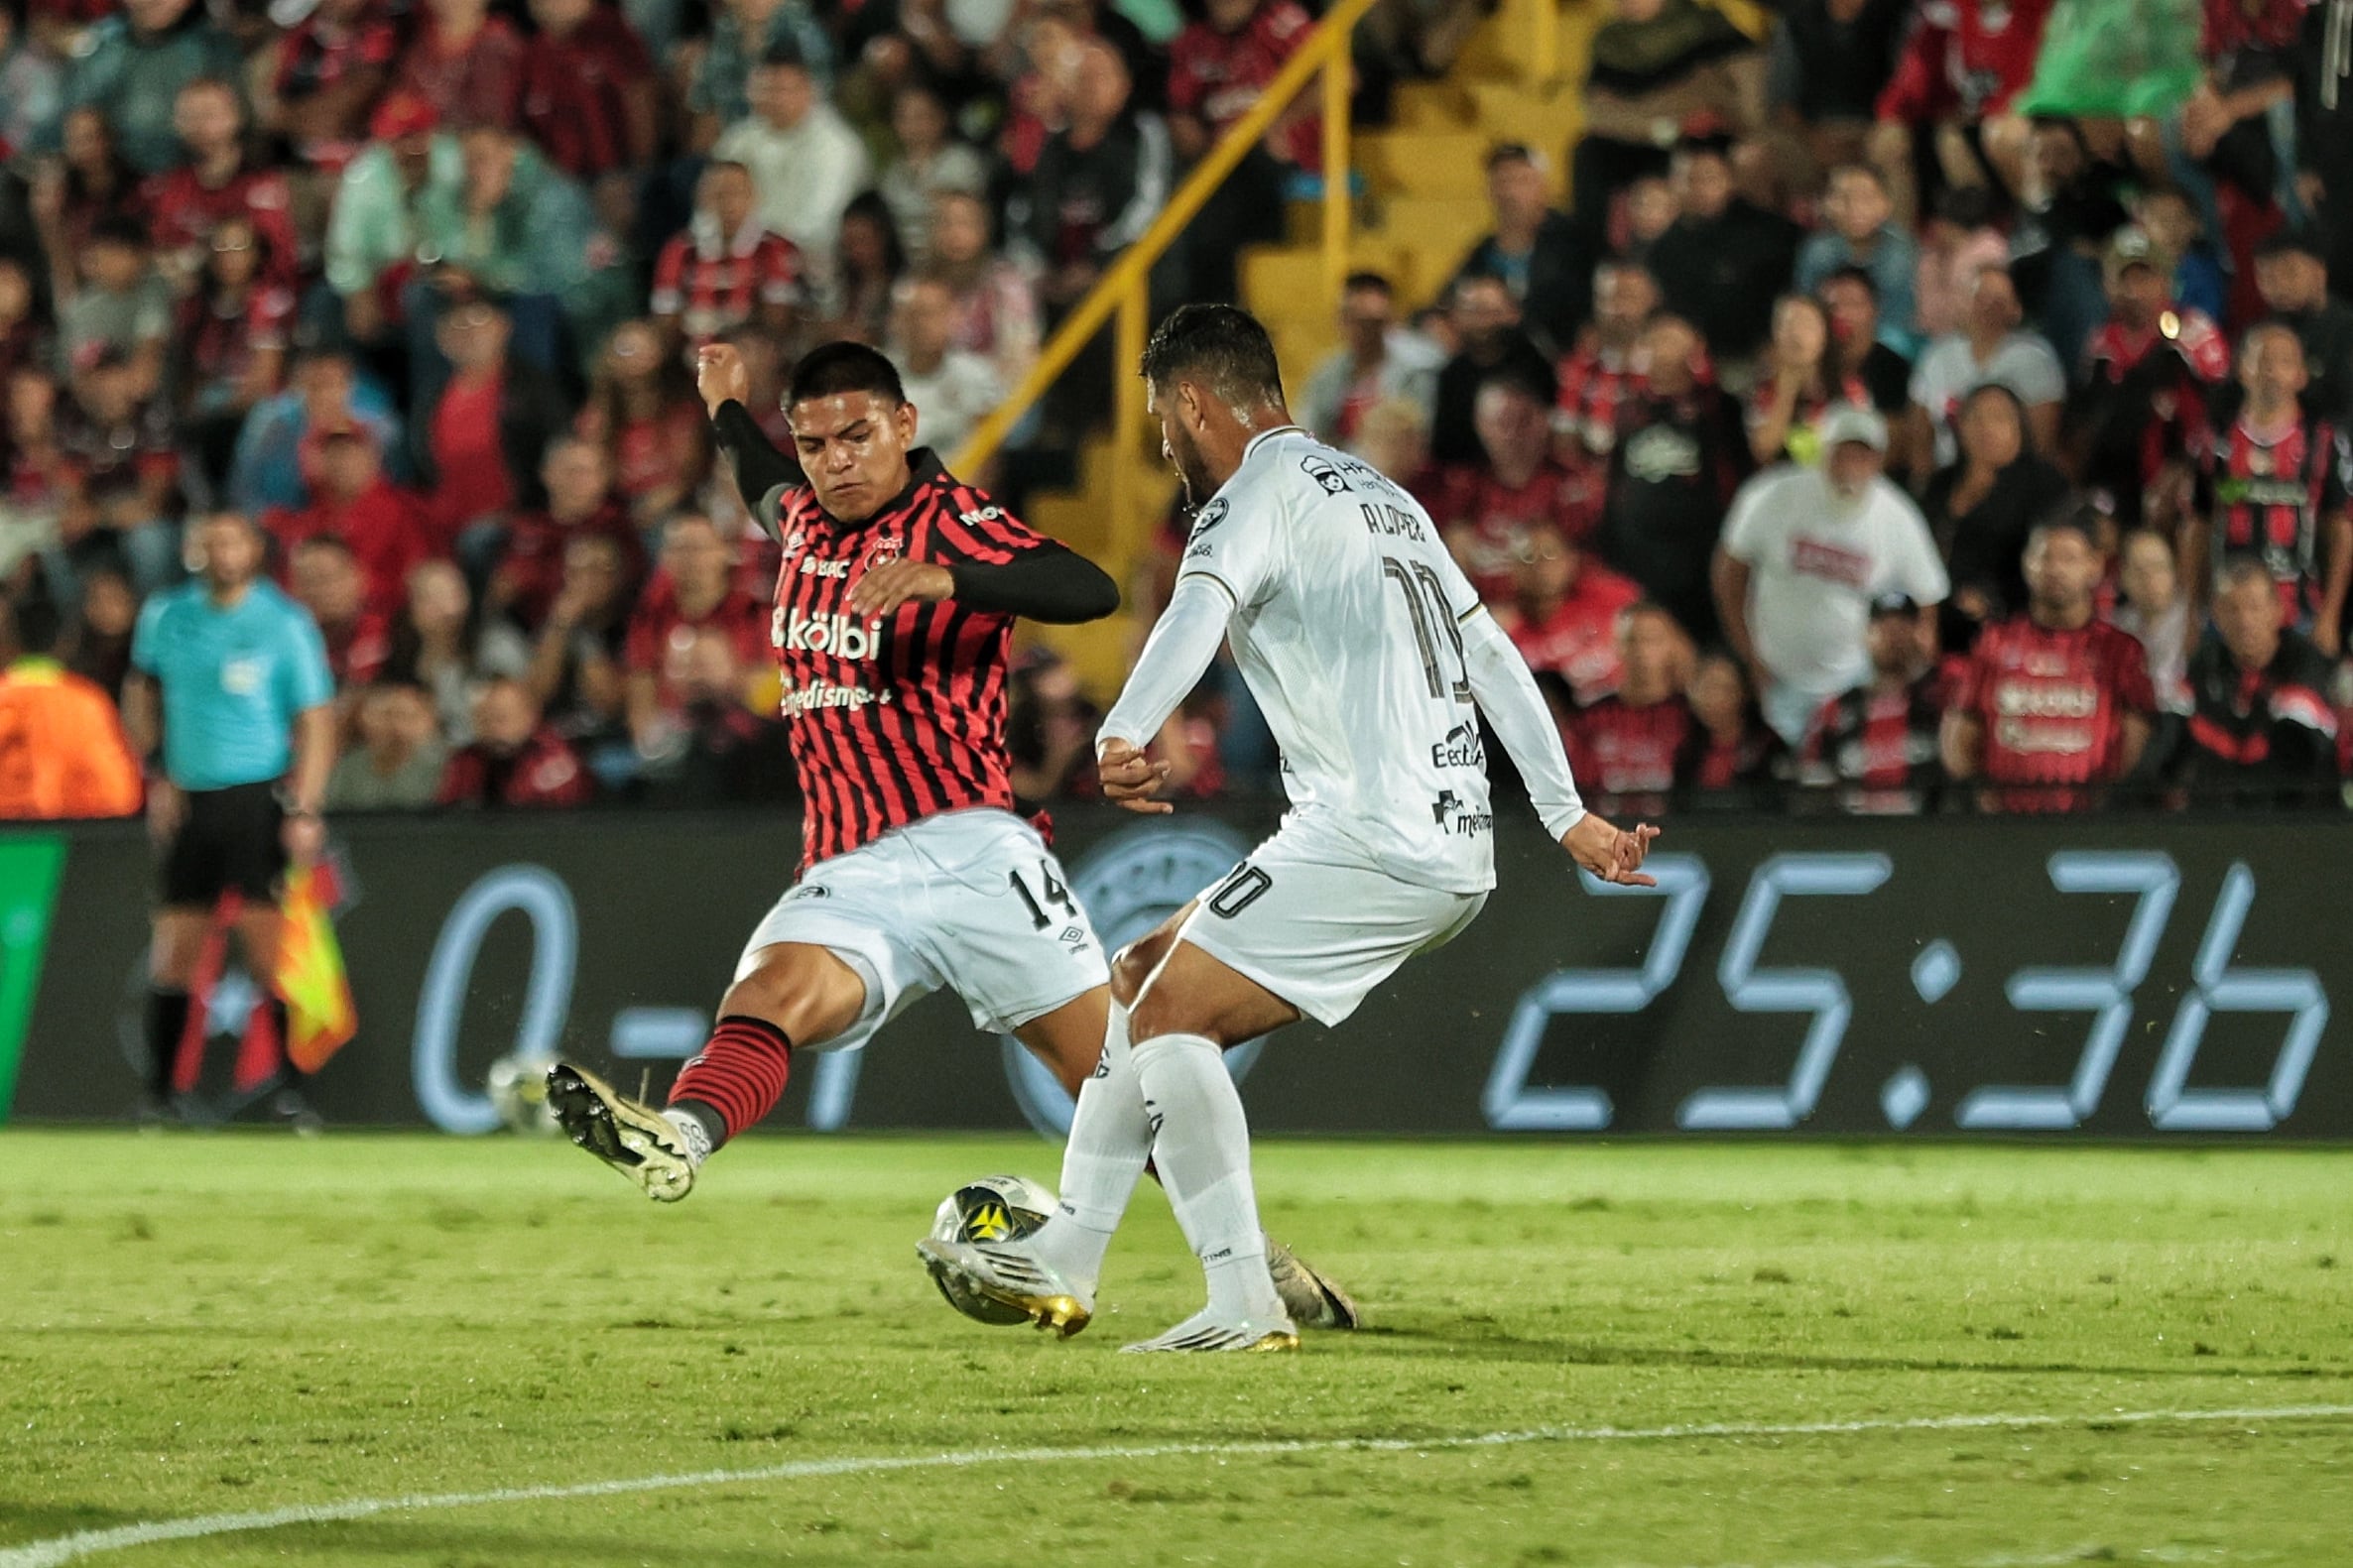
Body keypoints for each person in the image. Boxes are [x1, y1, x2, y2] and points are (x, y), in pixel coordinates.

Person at [919, 304, 1658, 1351]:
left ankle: (1240, 1296)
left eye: (1158, 421)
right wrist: (1563, 813)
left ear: (1190, 401)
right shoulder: (1380, 496)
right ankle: (1069, 1260)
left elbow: (1193, 610)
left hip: (1373, 835)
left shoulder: (1249, 495)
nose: (1161, 444)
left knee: (1175, 1013)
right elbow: (1490, 653)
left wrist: (1123, 727)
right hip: (1421, 833)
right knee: (1137, 973)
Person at [121, 512, 335, 1123]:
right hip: (191, 798)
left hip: (257, 799)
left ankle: (295, 1094)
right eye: (211, 542)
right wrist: (157, 771)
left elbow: (316, 719)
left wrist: (306, 806)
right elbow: (141, 692)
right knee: (175, 952)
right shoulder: (167, 616)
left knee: (268, 953)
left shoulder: (282, 622)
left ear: (253, 550)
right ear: (195, 552)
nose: (221, 553)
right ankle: (159, 1098)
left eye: (232, 541)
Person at [1713, 403, 1949, 744]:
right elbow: (1730, 573)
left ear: (1878, 460)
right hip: (1776, 673)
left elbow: (1928, 598)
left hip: (1855, 683)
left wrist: (1904, 679)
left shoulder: (1897, 516)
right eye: (1843, 452)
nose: (1852, 465)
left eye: (1863, 455)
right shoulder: (1773, 495)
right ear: (1823, 452)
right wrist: (1748, 655)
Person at [1942, 513, 2157, 812]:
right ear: (2026, 564)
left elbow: (2138, 743)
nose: (2055, 569)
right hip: (2006, 829)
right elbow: (1959, 733)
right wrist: (1979, 799)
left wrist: (2110, 803)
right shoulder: (1994, 643)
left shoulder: (2121, 651)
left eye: (2069, 558)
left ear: (2094, 566)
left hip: (2092, 829)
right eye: (2044, 557)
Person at [2184, 322, 2353, 652]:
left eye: (2284, 362)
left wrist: (2330, 615)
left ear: (2301, 375)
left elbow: (2340, 529)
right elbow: (2198, 525)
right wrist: (2192, 612)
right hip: (2227, 616)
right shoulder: (2215, 442)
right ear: (2242, 370)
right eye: (2261, 360)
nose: (2272, 371)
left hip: (2300, 612)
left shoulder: (2323, 442)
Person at [1601, 313, 1750, 646]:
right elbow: (1615, 484)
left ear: (1696, 347)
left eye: (1672, 339)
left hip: (1700, 563)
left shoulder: (1720, 407)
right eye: (1653, 340)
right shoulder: (1628, 408)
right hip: (1637, 559)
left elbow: (1739, 473)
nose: (1661, 349)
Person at [2171, 556, 2342, 804]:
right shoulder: (2205, 662)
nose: (2244, 621)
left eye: (2254, 607)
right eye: (2232, 608)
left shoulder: (2303, 663)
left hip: (2297, 821)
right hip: (2217, 824)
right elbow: (2170, 736)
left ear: (2278, 610)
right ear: (2216, 615)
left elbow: (2292, 753)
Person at [1920, 382, 2071, 651]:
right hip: (1931, 618)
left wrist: (1993, 598)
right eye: (1975, 417)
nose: (1986, 427)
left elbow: (2051, 561)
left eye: (1999, 418)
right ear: (1961, 426)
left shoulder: (2045, 486)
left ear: (2020, 428)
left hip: (2010, 627)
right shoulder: (1939, 484)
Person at [1902, 264, 2064, 479]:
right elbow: (1919, 437)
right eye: (1981, 297)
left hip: (2013, 480)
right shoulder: (1937, 356)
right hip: (1947, 478)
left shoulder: (2035, 358)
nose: (1988, 307)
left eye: (1998, 301)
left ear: (2016, 309)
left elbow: (2041, 442)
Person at [0, 590, 142, 819]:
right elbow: (120, 795)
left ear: (7, 638)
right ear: (67, 641)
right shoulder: (88, 703)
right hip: (71, 844)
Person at [1799, 591, 1943, 813]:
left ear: (1917, 634)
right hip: (1857, 837)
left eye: (1901, 628)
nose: (1893, 638)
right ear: (1866, 635)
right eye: (1884, 629)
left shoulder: (1940, 699)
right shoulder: (1837, 709)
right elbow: (1815, 782)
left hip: (1927, 834)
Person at [1450, 144, 1592, 355]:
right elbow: (1448, 297)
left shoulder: (1574, 244)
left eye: (1521, 180)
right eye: (1501, 182)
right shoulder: (1482, 252)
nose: (1509, 193)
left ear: (1542, 188)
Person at [436, 675, 593, 806]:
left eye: (502, 718)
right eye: (485, 719)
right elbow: (447, 817)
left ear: (530, 716)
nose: (494, 728)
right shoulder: (467, 761)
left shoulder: (555, 756)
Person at [325, 679, 448, 810]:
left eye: (409, 717)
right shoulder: (351, 766)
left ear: (430, 720)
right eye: (389, 715)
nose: (397, 725)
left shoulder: (444, 766)